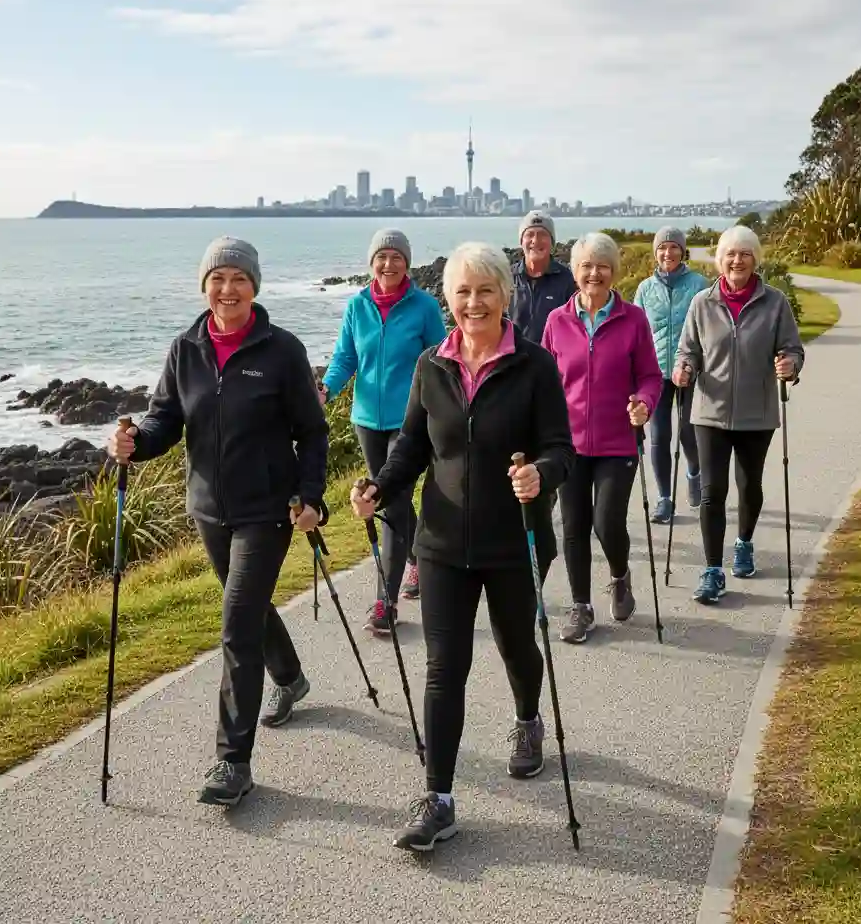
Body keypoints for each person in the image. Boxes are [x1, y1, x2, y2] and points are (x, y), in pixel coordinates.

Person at [349, 241, 574, 852]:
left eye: (486, 291)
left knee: (515, 646)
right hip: (443, 544)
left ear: (506, 296)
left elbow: (559, 447)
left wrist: (541, 475)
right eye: (462, 292)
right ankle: (439, 798)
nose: (474, 302)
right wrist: (379, 485)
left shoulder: (533, 365)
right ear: (448, 299)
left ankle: (528, 719)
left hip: (514, 540)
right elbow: (412, 449)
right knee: (445, 668)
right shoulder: (433, 365)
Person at [106, 236, 329, 807]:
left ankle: (232, 760)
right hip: (208, 508)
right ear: (204, 285)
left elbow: (313, 431)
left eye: (238, 279)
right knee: (246, 606)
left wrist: (310, 495)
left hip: (268, 510)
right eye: (217, 279)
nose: (227, 289)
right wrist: (136, 443)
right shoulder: (186, 350)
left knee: (235, 619)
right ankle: (289, 675)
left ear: (255, 286)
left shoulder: (281, 351)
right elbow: (164, 421)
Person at [319, 228, 447, 631]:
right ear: (371, 263)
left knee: (389, 501)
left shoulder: (424, 306)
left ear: (407, 263)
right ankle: (413, 560)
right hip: (366, 421)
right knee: (392, 498)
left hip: (410, 421)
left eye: (396, 257)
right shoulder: (357, 306)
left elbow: (441, 357)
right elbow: (345, 357)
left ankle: (385, 603)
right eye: (381, 257)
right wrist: (325, 389)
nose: (388, 264)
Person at [540, 232, 663, 644]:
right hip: (569, 443)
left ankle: (619, 575)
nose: (595, 273)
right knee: (573, 525)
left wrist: (644, 402)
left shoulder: (633, 320)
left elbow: (649, 374)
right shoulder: (557, 321)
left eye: (603, 266)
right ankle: (581, 606)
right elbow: (544, 379)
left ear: (614, 271)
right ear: (575, 272)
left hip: (617, 441)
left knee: (607, 521)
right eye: (587, 266)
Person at [672, 225, 804, 604]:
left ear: (754, 259)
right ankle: (713, 570)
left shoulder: (775, 302)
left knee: (750, 487)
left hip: (756, 414)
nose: (737, 260)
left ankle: (744, 542)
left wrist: (789, 365)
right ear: (720, 260)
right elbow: (688, 350)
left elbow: (793, 348)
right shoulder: (702, 303)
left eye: (745, 253)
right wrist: (683, 369)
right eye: (731, 253)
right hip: (709, 413)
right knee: (713, 493)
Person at [633, 226, 710, 524]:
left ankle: (694, 472)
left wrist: (694, 364)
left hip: (691, 371)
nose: (668, 253)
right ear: (656, 252)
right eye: (662, 248)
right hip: (655, 374)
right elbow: (637, 333)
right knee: (659, 436)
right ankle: (664, 499)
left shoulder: (699, 285)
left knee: (689, 434)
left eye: (674, 247)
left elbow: (707, 329)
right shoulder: (644, 289)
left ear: (683, 250)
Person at [507, 210, 578, 344]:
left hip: (552, 362)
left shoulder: (566, 278)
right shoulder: (507, 277)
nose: (535, 240)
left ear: (552, 242)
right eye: (529, 235)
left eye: (542, 235)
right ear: (521, 241)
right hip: (513, 361)